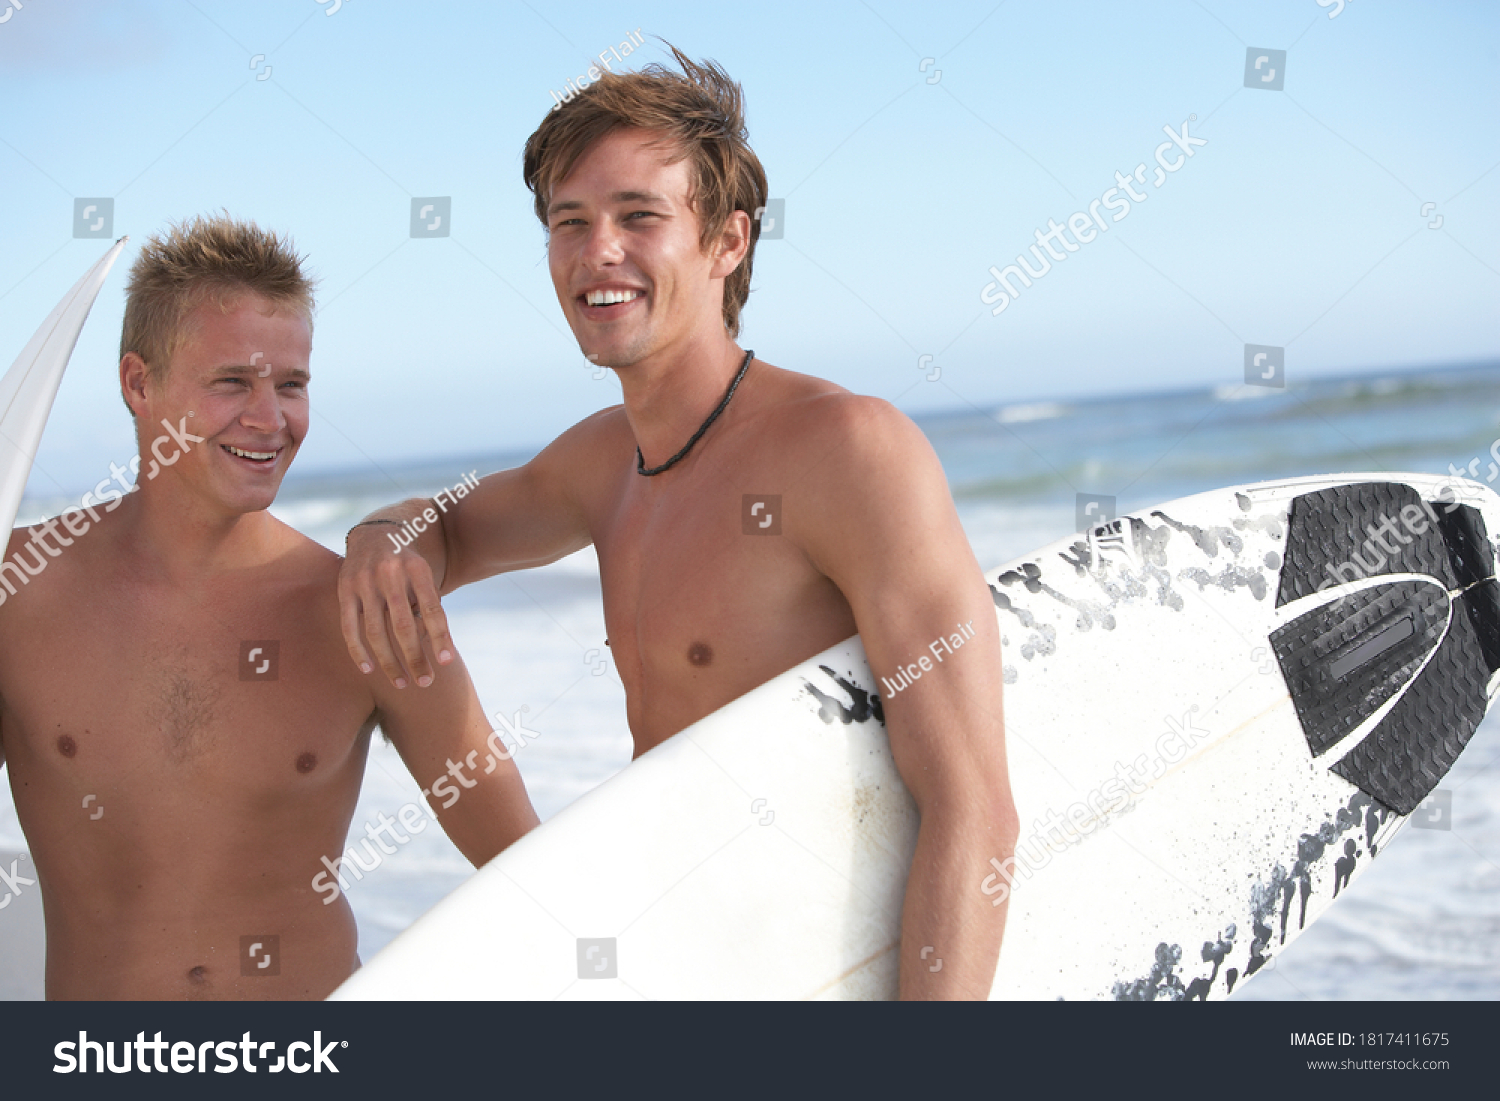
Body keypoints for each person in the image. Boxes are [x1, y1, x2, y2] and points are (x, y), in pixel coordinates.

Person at [339, 49, 1018, 999]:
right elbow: (447, 531)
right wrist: (381, 536)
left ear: (728, 242)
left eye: (639, 217)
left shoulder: (849, 450)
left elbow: (974, 807)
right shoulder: (599, 462)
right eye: (568, 223)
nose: (596, 251)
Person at [0, 215, 536, 1000]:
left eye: (291, 384)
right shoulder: (22, 590)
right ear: (138, 384)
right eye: (232, 382)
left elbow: (530, 871)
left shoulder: (363, 607)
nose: (270, 418)